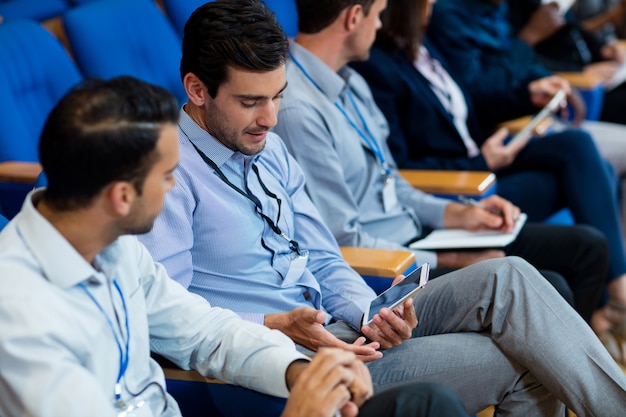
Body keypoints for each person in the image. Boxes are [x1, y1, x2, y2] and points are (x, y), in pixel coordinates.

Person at [139, 1, 626, 415]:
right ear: (198, 90)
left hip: (339, 326)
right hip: (285, 363)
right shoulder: (167, 178)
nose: (269, 119)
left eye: (277, 97)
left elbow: (325, 256)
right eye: (250, 102)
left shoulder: (267, 147)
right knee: (525, 357)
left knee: (510, 276)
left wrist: (368, 311)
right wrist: (273, 325)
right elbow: (171, 318)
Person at [0, 75, 471, 417]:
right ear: (121, 197)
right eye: (167, 177)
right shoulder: (21, 319)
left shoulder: (114, 246)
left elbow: (205, 330)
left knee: (425, 403)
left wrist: (297, 372)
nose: (174, 187)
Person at [270, 0, 608, 325]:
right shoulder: (299, 112)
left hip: (419, 233)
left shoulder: (351, 81)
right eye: (378, 14)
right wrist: (450, 259)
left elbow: (394, 182)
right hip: (391, 265)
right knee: (550, 286)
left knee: (586, 248)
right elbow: (343, 240)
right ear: (354, 17)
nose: (379, 24)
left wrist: (459, 213)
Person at [427, 0, 626, 337]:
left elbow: (510, 72)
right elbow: (478, 91)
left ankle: (611, 303)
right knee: (587, 163)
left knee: (591, 163)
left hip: (492, 145)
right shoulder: (445, 20)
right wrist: (532, 36)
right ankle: (614, 300)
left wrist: (538, 84)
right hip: (466, 176)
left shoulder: (490, 12)